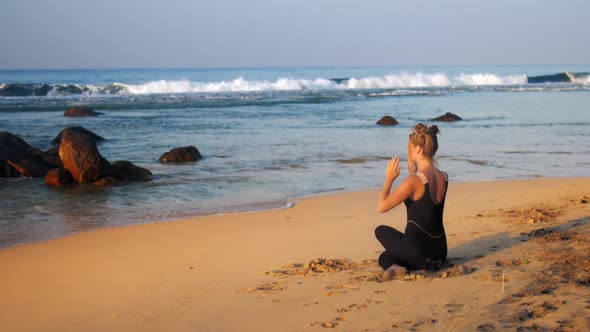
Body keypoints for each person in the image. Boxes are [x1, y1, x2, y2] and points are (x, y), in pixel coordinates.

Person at [375, 123, 448, 281]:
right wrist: (412, 163)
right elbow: (421, 194)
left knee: (380, 230)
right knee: (386, 255)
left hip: (419, 253)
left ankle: (396, 267)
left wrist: (389, 178)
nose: (408, 150)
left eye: (409, 147)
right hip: (440, 253)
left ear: (418, 149)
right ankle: (396, 266)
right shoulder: (443, 176)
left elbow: (381, 206)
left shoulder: (414, 181)